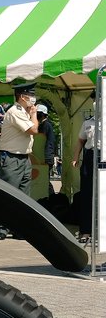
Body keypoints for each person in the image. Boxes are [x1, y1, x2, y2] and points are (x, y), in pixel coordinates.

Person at [0, 83, 39, 240]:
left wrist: (31, 114)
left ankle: (19, 228)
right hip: (11, 158)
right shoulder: (15, 111)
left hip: (24, 158)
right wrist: (34, 115)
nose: (33, 99)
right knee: (9, 195)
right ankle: (1, 228)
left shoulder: (24, 112)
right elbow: (33, 130)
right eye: (30, 95)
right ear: (22, 97)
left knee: (23, 196)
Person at [72, 91, 96, 243]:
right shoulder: (88, 122)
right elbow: (81, 140)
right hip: (90, 157)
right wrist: (75, 158)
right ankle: (86, 231)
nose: (96, 102)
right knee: (87, 194)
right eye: (94, 99)